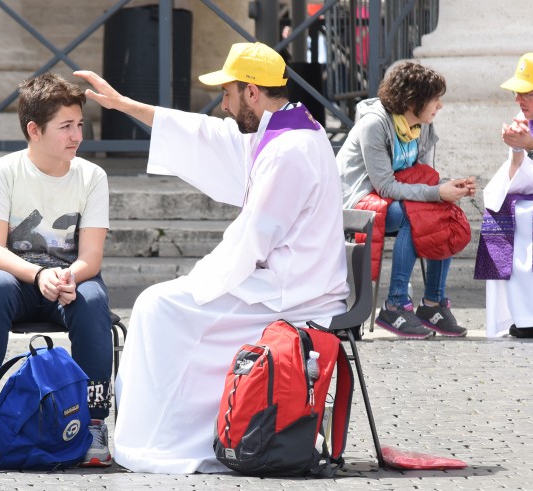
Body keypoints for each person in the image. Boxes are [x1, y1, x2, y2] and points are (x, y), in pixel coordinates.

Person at [74, 41, 349, 474]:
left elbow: (255, 237)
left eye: (228, 94)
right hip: (285, 279)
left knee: (160, 307)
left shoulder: (289, 149)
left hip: (293, 293)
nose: (222, 106)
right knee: (159, 304)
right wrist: (126, 105)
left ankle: (165, 441)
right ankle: (163, 432)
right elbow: (203, 135)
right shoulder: (282, 131)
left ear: (252, 93)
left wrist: (202, 279)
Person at [0, 72, 113, 468]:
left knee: (93, 297)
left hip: (67, 283)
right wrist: (38, 275)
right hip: (19, 283)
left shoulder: (92, 176)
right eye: (65, 126)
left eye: (79, 124)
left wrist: (69, 276)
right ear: (34, 130)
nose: (76, 135)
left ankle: (93, 421)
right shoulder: (3, 172)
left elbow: (91, 257)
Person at [337, 61, 475, 339]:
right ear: (414, 101)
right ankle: (395, 305)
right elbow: (385, 186)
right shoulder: (374, 125)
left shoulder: (423, 126)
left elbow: (424, 176)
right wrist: (437, 192)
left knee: (442, 212)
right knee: (416, 218)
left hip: (391, 197)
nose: (440, 105)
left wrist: (449, 187)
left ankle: (432, 305)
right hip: (358, 199)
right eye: (435, 99)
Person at [475, 52, 533, 339]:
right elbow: (518, 171)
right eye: (516, 92)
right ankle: (525, 316)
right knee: (502, 214)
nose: (519, 100)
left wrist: (531, 146)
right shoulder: (525, 117)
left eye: (527, 93)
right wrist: (518, 149)